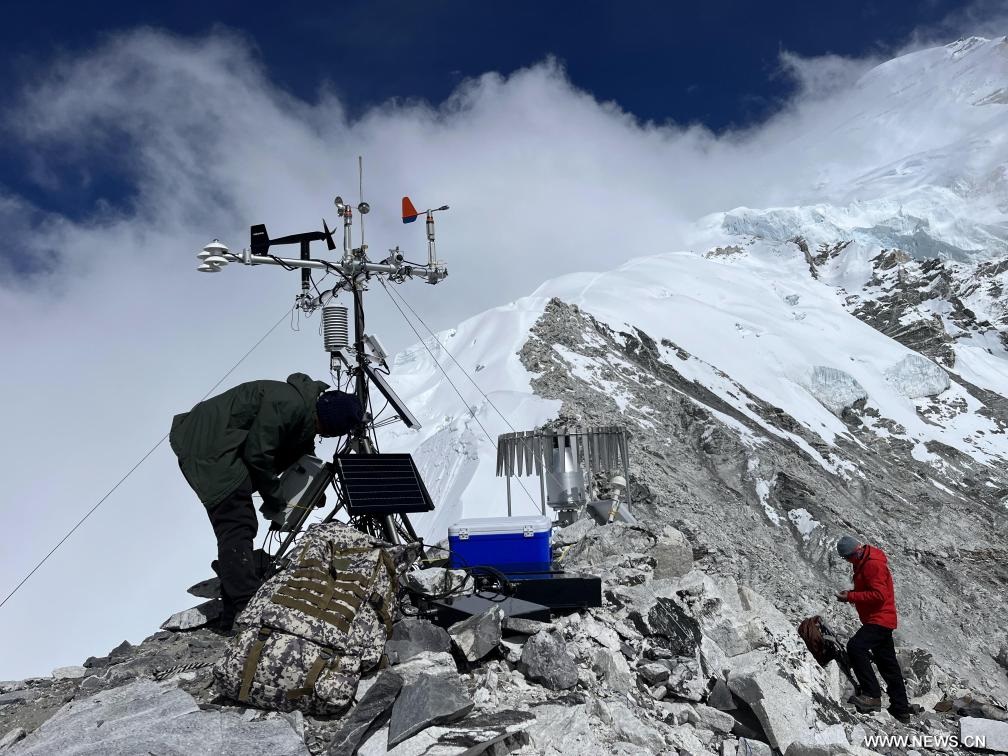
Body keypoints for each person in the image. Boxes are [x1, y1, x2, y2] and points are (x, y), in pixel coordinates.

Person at [170, 373, 364, 630]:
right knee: (237, 523)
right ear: (326, 422)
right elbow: (258, 454)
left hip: (219, 443)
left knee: (239, 522)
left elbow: (301, 448)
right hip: (209, 448)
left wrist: (311, 487)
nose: (321, 435)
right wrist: (276, 499)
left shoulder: (302, 408)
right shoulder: (290, 405)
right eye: (325, 431)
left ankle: (232, 607)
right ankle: (246, 606)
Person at [835, 535, 912, 724]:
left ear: (855, 552)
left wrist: (851, 596)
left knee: (855, 647)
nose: (848, 561)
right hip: (880, 618)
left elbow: (879, 595)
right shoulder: (864, 561)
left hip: (879, 619)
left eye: (847, 558)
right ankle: (901, 710)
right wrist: (852, 595)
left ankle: (872, 695)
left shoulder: (872, 565)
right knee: (888, 666)